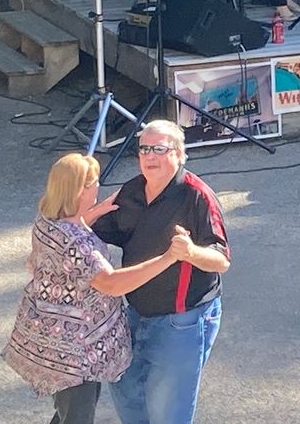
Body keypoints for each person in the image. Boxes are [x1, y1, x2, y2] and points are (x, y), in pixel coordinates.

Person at [4, 153, 181, 424]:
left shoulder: (46, 218)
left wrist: (96, 212)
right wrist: (169, 257)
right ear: (80, 190)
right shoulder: (77, 246)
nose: (99, 186)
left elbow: (70, 226)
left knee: (67, 413)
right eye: (95, 182)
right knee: (78, 416)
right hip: (74, 355)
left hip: (52, 344)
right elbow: (111, 282)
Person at [93, 120, 230, 424]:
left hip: (181, 320)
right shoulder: (131, 192)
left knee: (167, 410)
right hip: (135, 313)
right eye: (144, 149)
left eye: (159, 149)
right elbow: (99, 232)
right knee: (125, 388)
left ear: (180, 154)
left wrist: (191, 252)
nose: (149, 156)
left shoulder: (197, 196)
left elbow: (221, 260)